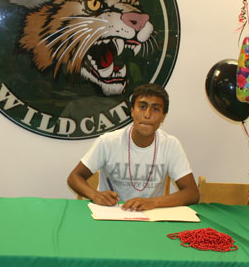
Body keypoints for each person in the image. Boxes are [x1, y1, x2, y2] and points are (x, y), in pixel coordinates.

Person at [67, 83, 199, 211]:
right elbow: (74, 177)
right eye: (142, 107)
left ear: (163, 117)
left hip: (150, 216)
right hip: (111, 213)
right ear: (132, 111)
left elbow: (192, 193)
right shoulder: (108, 141)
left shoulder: (170, 144)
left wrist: (153, 202)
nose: (147, 115)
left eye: (156, 109)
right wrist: (95, 195)